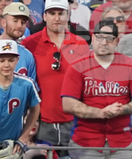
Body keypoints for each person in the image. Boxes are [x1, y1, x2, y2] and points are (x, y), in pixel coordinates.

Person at [61, 17, 132, 159]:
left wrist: (122, 109)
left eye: (109, 38)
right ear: (93, 38)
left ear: (117, 41)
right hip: (86, 142)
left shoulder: (131, 65)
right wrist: (101, 113)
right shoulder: (77, 66)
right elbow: (67, 104)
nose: (104, 42)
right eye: (100, 37)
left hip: (121, 142)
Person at [23, 0, 88, 148]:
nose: (57, 18)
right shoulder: (29, 44)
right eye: (52, 13)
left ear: (68, 15)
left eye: (61, 13)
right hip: (41, 121)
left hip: (74, 121)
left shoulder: (81, 44)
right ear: (44, 16)